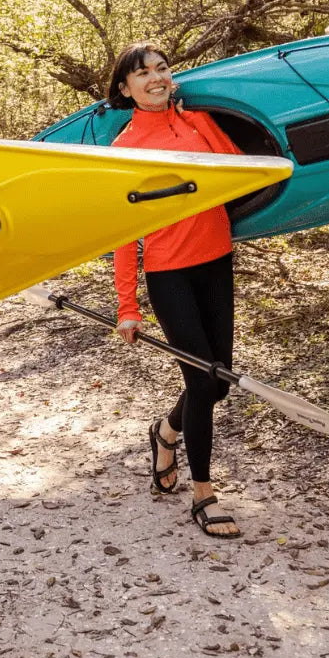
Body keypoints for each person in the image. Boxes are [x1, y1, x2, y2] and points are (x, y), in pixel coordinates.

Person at [108, 43, 243, 539]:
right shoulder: (124, 148)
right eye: (142, 74)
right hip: (170, 274)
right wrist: (128, 305)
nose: (155, 78)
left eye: (161, 68)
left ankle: (165, 433)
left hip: (217, 260)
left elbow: (235, 170)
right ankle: (203, 494)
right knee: (204, 381)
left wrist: (198, 123)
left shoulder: (199, 121)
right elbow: (123, 234)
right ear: (126, 88)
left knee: (219, 382)